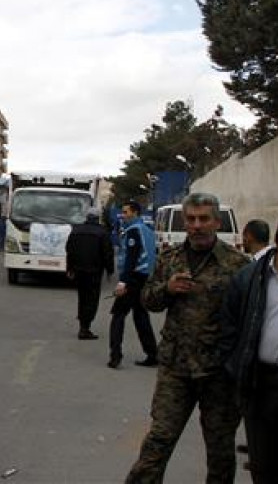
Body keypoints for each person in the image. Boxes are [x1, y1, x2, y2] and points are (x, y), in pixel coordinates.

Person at [125, 192, 251, 483]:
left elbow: (248, 319)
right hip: (176, 369)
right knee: (158, 441)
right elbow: (147, 300)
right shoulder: (170, 259)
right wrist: (166, 289)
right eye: (191, 219)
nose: (196, 225)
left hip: (218, 374)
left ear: (217, 222)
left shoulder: (238, 266)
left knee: (220, 451)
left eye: (203, 219)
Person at [220, 216, 278, 484]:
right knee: (263, 466)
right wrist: (234, 370)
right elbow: (228, 327)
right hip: (262, 384)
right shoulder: (250, 278)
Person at [108, 201, 159, 368]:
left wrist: (123, 281)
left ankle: (116, 355)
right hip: (145, 277)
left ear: (135, 213)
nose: (123, 215)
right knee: (141, 315)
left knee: (118, 315)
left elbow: (131, 257)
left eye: (126, 212)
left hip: (133, 278)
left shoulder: (133, 231)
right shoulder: (148, 231)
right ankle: (152, 354)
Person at [65, 207, 114, 340]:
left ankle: (82, 324)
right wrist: (110, 270)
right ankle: (85, 328)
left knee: (82, 298)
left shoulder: (76, 230)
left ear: (86, 217)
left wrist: (70, 269)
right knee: (92, 299)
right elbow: (107, 253)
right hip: (94, 271)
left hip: (79, 271)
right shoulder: (102, 232)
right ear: (97, 218)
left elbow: (69, 251)